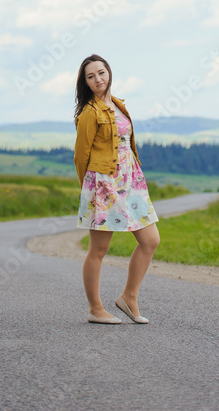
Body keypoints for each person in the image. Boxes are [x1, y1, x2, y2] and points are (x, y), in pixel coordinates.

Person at [73, 53, 160, 324]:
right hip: (104, 184)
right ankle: (95, 308)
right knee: (98, 249)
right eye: (91, 76)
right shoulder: (89, 112)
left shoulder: (119, 105)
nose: (98, 79)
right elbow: (81, 156)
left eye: (101, 72)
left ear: (109, 73)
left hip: (131, 181)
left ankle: (129, 297)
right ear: (85, 82)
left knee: (151, 240)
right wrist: (90, 192)